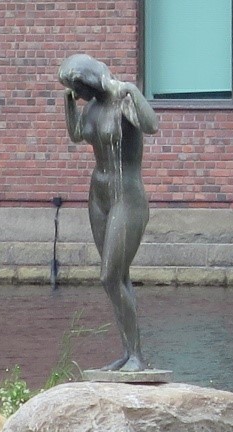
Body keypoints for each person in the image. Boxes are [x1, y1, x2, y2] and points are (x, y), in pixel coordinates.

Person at [58, 54, 159, 371]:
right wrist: (68, 105)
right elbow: (77, 134)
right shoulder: (90, 107)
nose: (76, 94)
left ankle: (137, 356)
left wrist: (132, 90)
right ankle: (129, 353)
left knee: (109, 276)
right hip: (99, 196)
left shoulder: (122, 99)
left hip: (127, 196)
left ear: (89, 80)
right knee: (118, 278)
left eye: (76, 87)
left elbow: (151, 125)